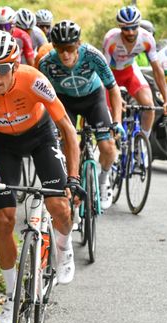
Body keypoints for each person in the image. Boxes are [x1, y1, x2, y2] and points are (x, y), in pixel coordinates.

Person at [0, 30, 81, 323]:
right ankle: (13, 293)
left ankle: (64, 250)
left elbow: (67, 128)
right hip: (3, 145)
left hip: (41, 137)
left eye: (2, 69)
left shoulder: (34, 80)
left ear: (15, 67)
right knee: (4, 219)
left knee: (59, 207)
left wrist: (74, 177)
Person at [39, 20, 123, 210]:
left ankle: (104, 179)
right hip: (65, 101)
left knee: (108, 146)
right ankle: (72, 188)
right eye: (60, 49)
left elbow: (113, 88)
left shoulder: (93, 55)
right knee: (68, 145)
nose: (65, 54)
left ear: (78, 44)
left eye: (69, 47)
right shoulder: (47, 63)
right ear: (54, 47)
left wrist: (116, 121)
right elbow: (41, 95)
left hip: (94, 100)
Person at [103, 5, 167, 139]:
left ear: (139, 25)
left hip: (130, 72)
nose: (130, 32)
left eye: (134, 27)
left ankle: (142, 144)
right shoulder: (111, 39)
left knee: (149, 106)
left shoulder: (146, 39)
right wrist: (116, 96)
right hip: (111, 76)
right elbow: (104, 71)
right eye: (125, 28)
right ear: (119, 27)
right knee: (111, 113)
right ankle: (112, 147)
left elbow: (157, 70)